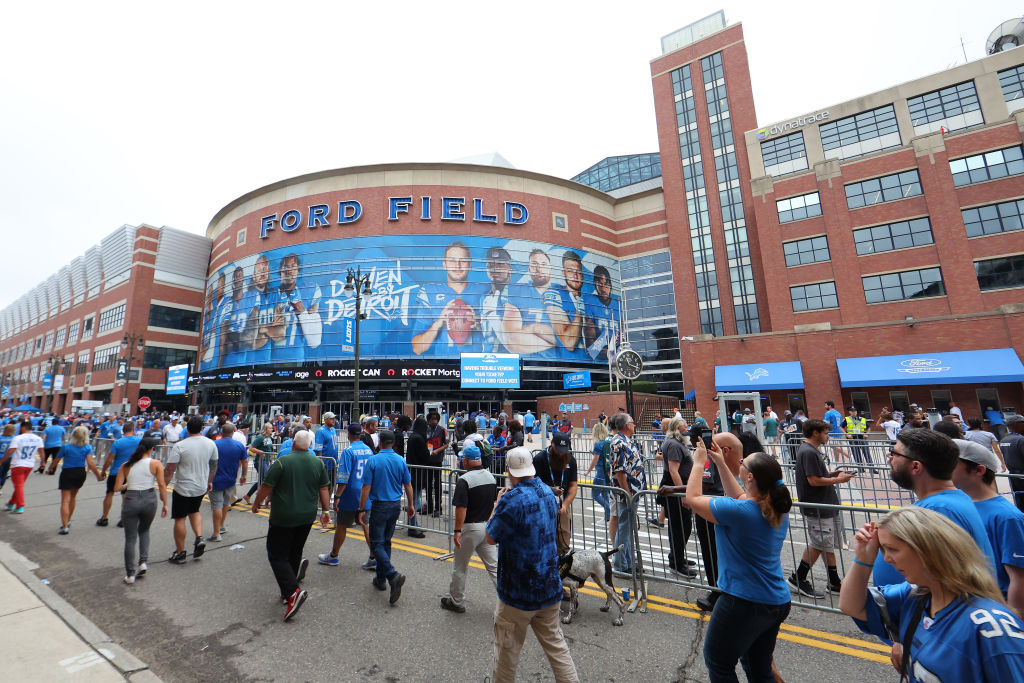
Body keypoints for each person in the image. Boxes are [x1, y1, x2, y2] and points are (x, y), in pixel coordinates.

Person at [839, 507, 1024, 681]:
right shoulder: (915, 596)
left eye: (892, 549)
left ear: (927, 550)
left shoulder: (991, 629)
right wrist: (863, 558)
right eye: (884, 550)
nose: (886, 559)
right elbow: (851, 606)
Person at [686, 439, 792, 682]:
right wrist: (721, 463)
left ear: (751, 476)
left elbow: (692, 498)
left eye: (743, 462)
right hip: (775, 601)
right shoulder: (775, 507)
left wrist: (699, 461)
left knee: (719, 662)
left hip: (743, 601)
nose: (740, 463)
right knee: (758, 667)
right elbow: (742, 495)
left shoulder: (738, 511)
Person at [485, 447, 579, 682]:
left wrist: (497, 505)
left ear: (509, 470)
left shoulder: (511, 500)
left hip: (518, 592)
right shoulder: (548, 492)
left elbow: (490, 536)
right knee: (557, 648)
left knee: (507, 652)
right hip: (549, 585)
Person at [874, 429, 997, 586]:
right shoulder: (943, 503)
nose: (889, 457)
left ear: (916, 467)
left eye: (894, 453)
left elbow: (946, 579)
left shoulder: (939, 509)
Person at [659, 431, 744, 613]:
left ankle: (716, 593)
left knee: (711, 553)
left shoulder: (708, 459)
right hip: (720, 508)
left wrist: (674, 488)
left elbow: (700, 488)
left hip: (711, 509)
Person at [251, 429, 330, 621]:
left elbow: (266, 486)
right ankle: (288, 590)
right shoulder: (317, 463)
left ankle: (292, 592)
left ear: (293, 444)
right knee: (295, 552)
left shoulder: (282, 462)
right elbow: (324, 488)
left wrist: (257, 503)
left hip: (284, 516)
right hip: (307, 516)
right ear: (310, 445)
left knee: (276, 554)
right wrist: (326, 511)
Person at [951, 438, 1024, 616]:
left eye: (951, 463)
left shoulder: (1008, 517)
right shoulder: (957, 506)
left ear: (979, 470)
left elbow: (1019, 578)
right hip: (967, 608)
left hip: (996, 611)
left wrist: (1016, 624)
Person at [791, 418, 855, 599]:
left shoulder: (812, 451)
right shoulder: (808, 451)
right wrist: (838, 480)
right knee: (819, 543)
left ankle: (834, 582)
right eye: (825, 433)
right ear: (815, 433)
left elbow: (818, 476)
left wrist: (832, 474)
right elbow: (813, 481)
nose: (828, 436)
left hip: (825, 504)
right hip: (817, 506)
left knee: (826, 544)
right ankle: (798, 578)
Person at [358, 430, 415, 605]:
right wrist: (411, 505)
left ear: (380, 442)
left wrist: (361, 509)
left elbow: (366, 487)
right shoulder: (400, 460)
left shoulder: (373, 460)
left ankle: (391, 575)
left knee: (376, 543)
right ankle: (381, 578)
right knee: (387, 541)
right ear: (394, 444)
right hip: (395, 505)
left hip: (380, 506)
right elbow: (408, 484)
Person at [440, 445, 498, 613]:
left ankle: (456, 601)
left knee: (460, 566)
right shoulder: (491, 477)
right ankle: (510, 601)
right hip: (486, 527)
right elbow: (493, 503)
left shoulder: (464, 480)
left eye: (462, 459)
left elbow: (461, 508)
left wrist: (457, 530)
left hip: (470, 528)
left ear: (466, 460)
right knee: (494, 567)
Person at [318, 423, 377, 567]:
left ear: (349, 434)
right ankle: (373, 557)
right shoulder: (368, 449)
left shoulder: (348, 451)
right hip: (365, 493)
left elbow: (344, 477)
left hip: (350, 493)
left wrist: (337, 496)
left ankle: (333, 555)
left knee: (342, 525)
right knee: (366, 524)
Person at [164, 416, 218, 565]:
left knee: (180, 518)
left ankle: (180, 553)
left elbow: (169, 469)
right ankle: (199, 537)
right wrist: (209, 482)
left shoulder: (180, 446)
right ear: (202, 428)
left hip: (183, 487)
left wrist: (163, 485)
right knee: (194, 511)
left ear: (187, 429)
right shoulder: (211, 444)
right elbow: (213, 466)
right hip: (201, 486)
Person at [114, 437, 168, 584]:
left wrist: (128, 485)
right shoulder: (155, 463)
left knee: (130, 538)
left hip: (131, 499)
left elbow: (117, 487)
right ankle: (143, 562)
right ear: (151, 449)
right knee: (144, 530)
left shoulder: (126, 465)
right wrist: (165, 504)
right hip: (149, 498)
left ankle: (130, 574)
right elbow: (162, 485)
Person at [658, 417, 697, 578]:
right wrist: (682, 495)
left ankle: (677, 557)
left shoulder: (676, 442)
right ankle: (676, 563)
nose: (687, 427)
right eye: (684, 425)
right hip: (677, 493)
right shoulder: (673, 444)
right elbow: (674, 471)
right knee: (680, 527)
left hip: (679, 490)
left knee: (682, 527)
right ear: (677, 428)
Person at [609, 412, 645, 574]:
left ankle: (628, 563)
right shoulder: (618, 442)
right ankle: (620, 565)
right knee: (624, 529)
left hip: (633, 492)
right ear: (626, 425)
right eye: (632, 421)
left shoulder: (627, 441)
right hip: (627, 494)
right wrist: (627, 493)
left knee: (628, 529)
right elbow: (620, 471)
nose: (634, 424)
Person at [532, 432, 578, 556]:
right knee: (544, 537)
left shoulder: (570, 459)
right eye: (558, 450)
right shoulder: (539, 459)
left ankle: (562, 565)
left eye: (564, 450)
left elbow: (573, 486)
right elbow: (533, 484)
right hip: (543, 505)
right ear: (552, 444)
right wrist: (551, 490)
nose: (561, 453)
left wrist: (565, 505)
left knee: (563, 537)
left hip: (562, 505)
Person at [56, 425, 102, 534]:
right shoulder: (87, 447)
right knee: (73, 497)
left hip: (67, 472)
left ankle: (65, 525)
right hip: (80, 472)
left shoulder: (66, 447)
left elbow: (56, 459)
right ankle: (68, 519)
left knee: (65, 500)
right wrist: (98, 475)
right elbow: (90, 463)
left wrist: (50, 468)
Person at [98, 421, 142, 527]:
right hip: (132, 472)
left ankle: (104, 518)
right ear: (133, 430)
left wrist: (103, 471)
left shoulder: (118, 442)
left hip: (116, 472)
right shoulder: (140, 441)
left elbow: (109, 460)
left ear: (123, 430)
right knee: (126, 496)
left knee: (109, 493)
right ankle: (124, 519)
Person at [208, 423, 247, 542]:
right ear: (233, 432)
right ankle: (221, 526)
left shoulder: (214, 444)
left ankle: (216, 533)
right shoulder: (239, 445)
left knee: (217, 505)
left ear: (221, 432)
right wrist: (244, 476)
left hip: (215, 479)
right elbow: (245, 461)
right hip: (231, 479)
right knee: (225, 504)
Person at [2, 421, 44, 513]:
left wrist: (1, 461)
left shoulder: (17, 438)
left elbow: (10, 451)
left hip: (18, 464)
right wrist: (43, 462)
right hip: (29, 464)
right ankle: (11, 502)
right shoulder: (38, 438)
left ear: (22, 428)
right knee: (19, 485)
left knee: (18, 485)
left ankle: (20, 505)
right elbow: (41, 452)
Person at [584, 421, 613, 535]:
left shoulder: (598, 443)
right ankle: (607, 517)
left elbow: (595, 460)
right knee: (605, 494)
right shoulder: (607, 442)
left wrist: (588, 471)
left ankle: (609, 513)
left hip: (600, 471)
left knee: (595, 494)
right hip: (607, 470)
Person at [241, 422, 276, 505]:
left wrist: (270, 460)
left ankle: (248, 496)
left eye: (271, 428)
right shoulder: (260, 438)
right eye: (269, 428)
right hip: (260, 461)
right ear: (265, 429)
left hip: (266, 461)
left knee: (262, 480)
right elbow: (251, 448)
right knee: (266, 480)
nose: (271, 429)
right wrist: (260, 452)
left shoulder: (269, 438)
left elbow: (269, 450)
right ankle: (261, 499)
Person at [1000, 415, 1024, 513]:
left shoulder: (1004, 440)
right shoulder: (1020, 439)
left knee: (1019, 499)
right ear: (1016, 424)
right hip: (1022, 474)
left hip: (1013, 475)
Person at [424, 412, 447, 516]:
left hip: (437, 460)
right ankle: (429, 506)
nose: (433, 421)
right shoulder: (426, 429)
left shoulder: (442, 430)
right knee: (428, 484)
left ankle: (438, 508)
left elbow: (446, 444)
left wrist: (437, 451)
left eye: (435, 419)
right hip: (428, 460)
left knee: (437, 484)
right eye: (431, 419)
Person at [313, 412, 339, 493]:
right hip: (326, 464)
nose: (333, 420)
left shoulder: (333, 429)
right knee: (325, 487)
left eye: (334, 418)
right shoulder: (321, 431)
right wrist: (321, 464)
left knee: (332, 485)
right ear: (326, 419)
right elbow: (318, 450)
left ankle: (327, 503)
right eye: (331, 418)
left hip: (333, 463)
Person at [0, 424, 15, 492]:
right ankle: (1, 486)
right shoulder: (14, 438)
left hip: (0, 456)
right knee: (4, 473)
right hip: (9, 457)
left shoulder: (0, 438)